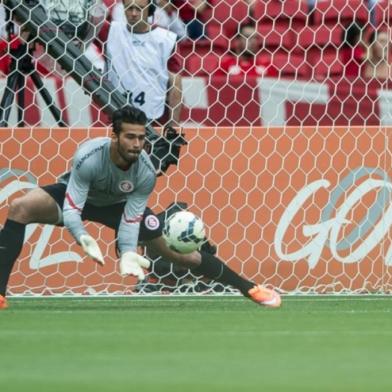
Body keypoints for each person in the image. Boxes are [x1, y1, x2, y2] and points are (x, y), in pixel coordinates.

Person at [0, 105, 281, 310]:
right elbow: (73, 207)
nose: (137, 144)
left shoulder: (145, 171)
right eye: (130, 137)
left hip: (119, 207)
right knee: (20, 207)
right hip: (79, 197)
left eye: (141, 138)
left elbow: (132, 217)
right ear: (114, 137)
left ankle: (250, 288)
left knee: (179, 255)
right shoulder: (89, 157)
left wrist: (128, 252)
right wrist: (83, 237)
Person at [105, 0, 182, 128]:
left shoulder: (166, 40)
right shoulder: (111, 31)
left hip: (155, 120)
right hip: (117, 116)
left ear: (150, 9)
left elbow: (176, 84)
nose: (134, 13)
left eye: (139, 9)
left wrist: (173, 127)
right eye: (129, 8)